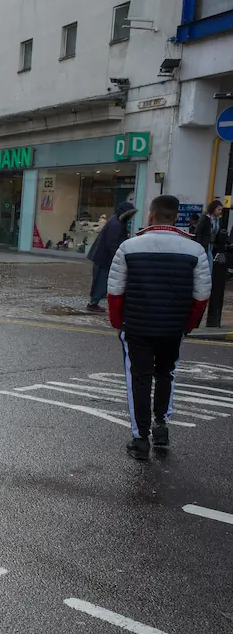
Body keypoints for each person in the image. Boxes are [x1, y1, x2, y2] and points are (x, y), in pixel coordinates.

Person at [107, 195, 211, 461]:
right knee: (166, 374)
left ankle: (140, 439)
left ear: (151, 215)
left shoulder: (128, 247)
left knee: (139, 380)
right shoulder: (195, 250)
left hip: (137, 326)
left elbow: (115, 293)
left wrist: (119, 324)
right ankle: (161, 426)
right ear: (176, 217)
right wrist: (187, 325)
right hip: (173, 327)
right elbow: (201, 297)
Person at [86, 201, 135, 312]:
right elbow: (112, 244)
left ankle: (94, 302)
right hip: (104, 258)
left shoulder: (116, 221)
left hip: (103, 256)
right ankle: (93, 303)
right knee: (101, 280)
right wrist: (118, 258)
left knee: (101, 280)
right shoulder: (116, 224)